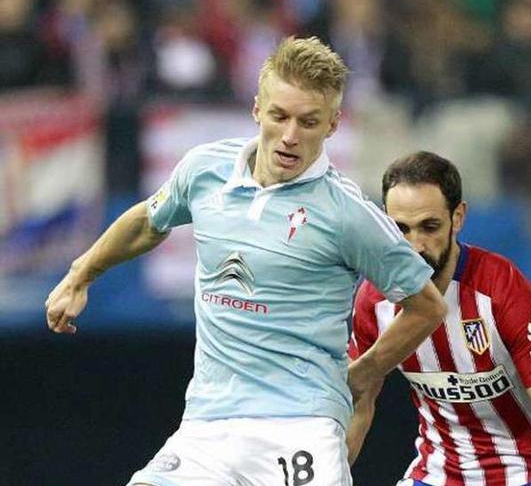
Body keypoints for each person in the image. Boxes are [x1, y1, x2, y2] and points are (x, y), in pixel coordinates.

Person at [44, 36, 446, 486]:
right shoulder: (204, 170)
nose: (291, 136)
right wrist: (81, 273)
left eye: (308, 122)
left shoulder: (348, 215)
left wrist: (364, 372)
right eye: (280, 116)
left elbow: (427, 305)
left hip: (300, 425)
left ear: (332, 125)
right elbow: (148, 222)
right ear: (258, 110)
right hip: (207, 424)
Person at [347, 151, 531, 486]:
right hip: (437, 475)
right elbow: (360, 404)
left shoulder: (501, 288)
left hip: (526, 474)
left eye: (429, 227)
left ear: (457, 217)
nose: (414, 245)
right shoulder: (374, 301)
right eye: (400, 228)